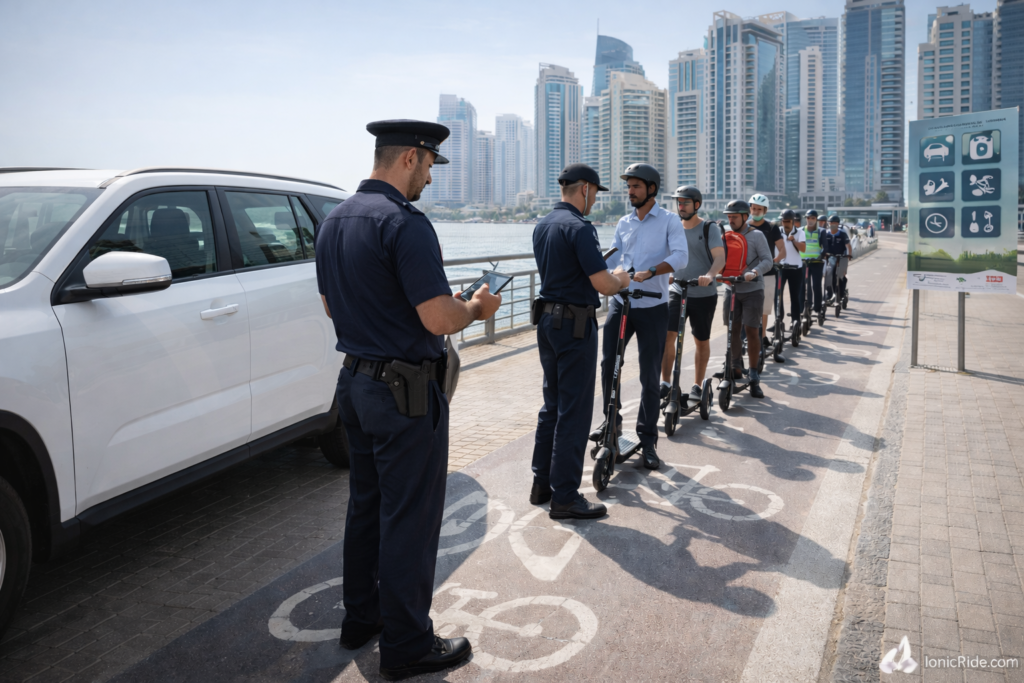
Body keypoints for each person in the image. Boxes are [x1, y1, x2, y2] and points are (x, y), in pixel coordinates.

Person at [316, 119, 502, 681]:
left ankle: (361, 619)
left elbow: (331, 306)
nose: (429, 179)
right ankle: (407, 644)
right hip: (404, 394)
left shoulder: (335, 220)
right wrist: (476, 308)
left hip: (354, 384)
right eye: (428, 166)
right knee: (410, 519)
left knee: (366, 507)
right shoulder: (405, 223)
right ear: (408, 159)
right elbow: (439, 318)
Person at [531, 164, 631, 520]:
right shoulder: (580, 227)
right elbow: (603, 284)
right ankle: (566, 497)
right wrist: (621, 279)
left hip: (546, 321)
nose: (594, 201)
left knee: (552, 406)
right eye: (595, 194)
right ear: (585, 189)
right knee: (573, 411)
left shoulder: (543, 224)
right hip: (574, 325)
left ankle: (542, 484)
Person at [593, 163, 687, 470]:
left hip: (653, 306)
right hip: (621, 303)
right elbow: (613, 256)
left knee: (649, 375)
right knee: (609, 364)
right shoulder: (624, 222)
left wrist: (653, 271)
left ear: (651, 189)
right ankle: (612, 422)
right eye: (629, 186)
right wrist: (596, 266)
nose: (630, 191)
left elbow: (680, 256)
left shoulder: (670, 221)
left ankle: (648, 440)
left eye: (636, 186)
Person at [660, 185, 725, 406]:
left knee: (701, 339)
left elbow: (720, 258)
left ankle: (697, 385)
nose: (681, 206)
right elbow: (667, 256)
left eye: (685, 202)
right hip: (677, 290)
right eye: (679, 202)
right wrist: (667, 274)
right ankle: (665, 383)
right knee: (668, 335)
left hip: (703, 293)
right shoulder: (673, 228)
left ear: (696, 205)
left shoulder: (709, 228)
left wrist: (710, 275)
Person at [720, 200, 773, 398]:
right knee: (732, 329)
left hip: (753, 290)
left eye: (734, 217)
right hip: (731, 289)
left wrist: (755, 272)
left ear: (744, 216)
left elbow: (768, 260)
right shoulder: (726, 236)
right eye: (729, 217)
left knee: (751, 330)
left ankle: (753, 374)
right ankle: (734, 366)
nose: (730, 220)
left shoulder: (757, 235)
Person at [747, 194, 785, 347]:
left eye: (759, 209)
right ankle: (748, 337)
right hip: (747, 274)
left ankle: (762, 337)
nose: (756, 212)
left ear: (765, 211)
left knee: (764, 308)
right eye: (754, 208)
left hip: (767, 274)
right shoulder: (744, 226)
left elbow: (782, 251)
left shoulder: (771, 227)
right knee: (748, 307)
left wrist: (772, 262)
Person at [776, 209, 806, 339]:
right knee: (778, 297)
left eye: (788, 221)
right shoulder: (777, 232)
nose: (785, 224)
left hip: (795, 269)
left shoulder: (800, 232)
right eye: (783, 221)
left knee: (795, 297)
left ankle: (795, 322)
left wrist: (793, 241)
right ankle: (779, 321)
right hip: (781, 269)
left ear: (793, 221)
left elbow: (803, 249)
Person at [822, 214, 853, 303]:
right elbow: (822, 246)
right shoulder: (826, 234)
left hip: (841, 257)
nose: (832, 224)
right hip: (830, 257)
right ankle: (829, 293)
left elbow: (848, 246)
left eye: (834, 223)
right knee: (829, 274)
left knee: (841, 276)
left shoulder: (842, 234)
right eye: (831, 223)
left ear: (838, 224)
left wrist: (849, 255)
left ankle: (841, 293)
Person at [801, 209, 826, 317]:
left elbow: (825, 247)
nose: (810, 220)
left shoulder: (821, 231)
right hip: (803, 262)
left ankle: (817, 308)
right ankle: (803, 308)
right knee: (803, 286)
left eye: (813, 218)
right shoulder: (801, 230)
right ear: (806, 219)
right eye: (808, 218)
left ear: (816, 219)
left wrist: (821, 255)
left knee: (816, 285)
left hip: (817, 262)